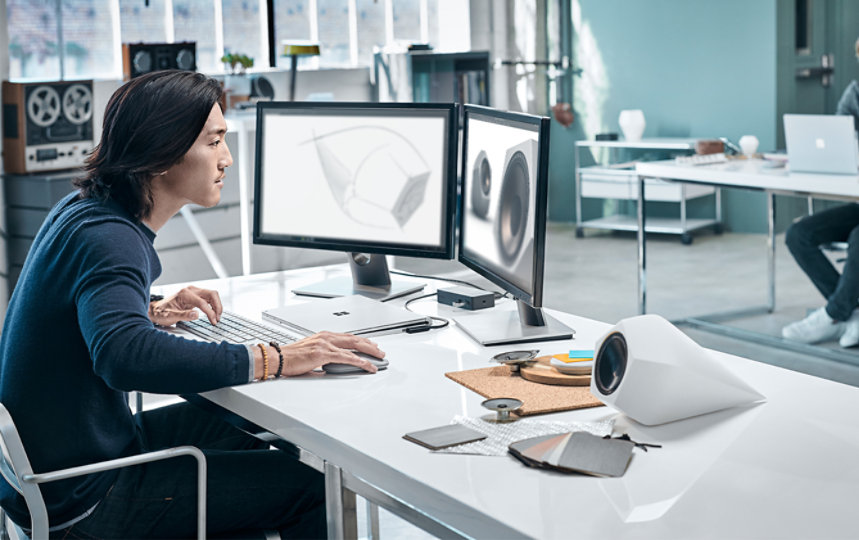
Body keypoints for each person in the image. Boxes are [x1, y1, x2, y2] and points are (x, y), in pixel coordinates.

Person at [0, 70, 385, 538]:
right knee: (310, 487)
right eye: (213, 142)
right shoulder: (111, 240)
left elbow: (77, 311)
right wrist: (275, 358)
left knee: (247, 430)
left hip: (50, 478)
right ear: (161, 154)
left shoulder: (83, 211)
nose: (226, 159)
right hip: (88, 499)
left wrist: (147, 308)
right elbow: (123, 357)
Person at [782, 38, 859, 347]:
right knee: (799, 235)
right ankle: (851, 314)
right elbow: (838, 140)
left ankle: (834, 314)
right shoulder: (855, 92)